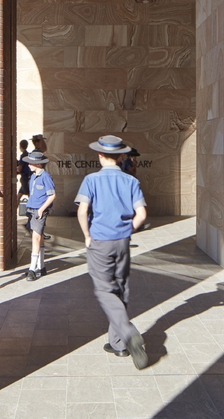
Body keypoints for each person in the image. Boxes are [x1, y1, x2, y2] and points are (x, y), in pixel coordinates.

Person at [76, 134, 149, 369]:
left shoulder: (91, 180)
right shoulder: (130, 181)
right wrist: (128, 231)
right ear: (120, 157)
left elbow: (82, 210)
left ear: (99, 155)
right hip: (122, 241)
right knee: (121, 289)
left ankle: (128, 333)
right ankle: (117, 343)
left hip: (100, 240)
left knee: (104, 290)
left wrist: (87, 235)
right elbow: (142, 215)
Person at [23, 147, 56, 280]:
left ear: (38, 164)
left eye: (31, 163)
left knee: (35, 239)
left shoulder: (45, 176)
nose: (28, 165)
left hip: (39, 211)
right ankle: (40, 267)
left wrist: (42, 209)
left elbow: (52, 195)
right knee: (39, 237)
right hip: (32, 209)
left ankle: (32, 269)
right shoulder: (33, 176)